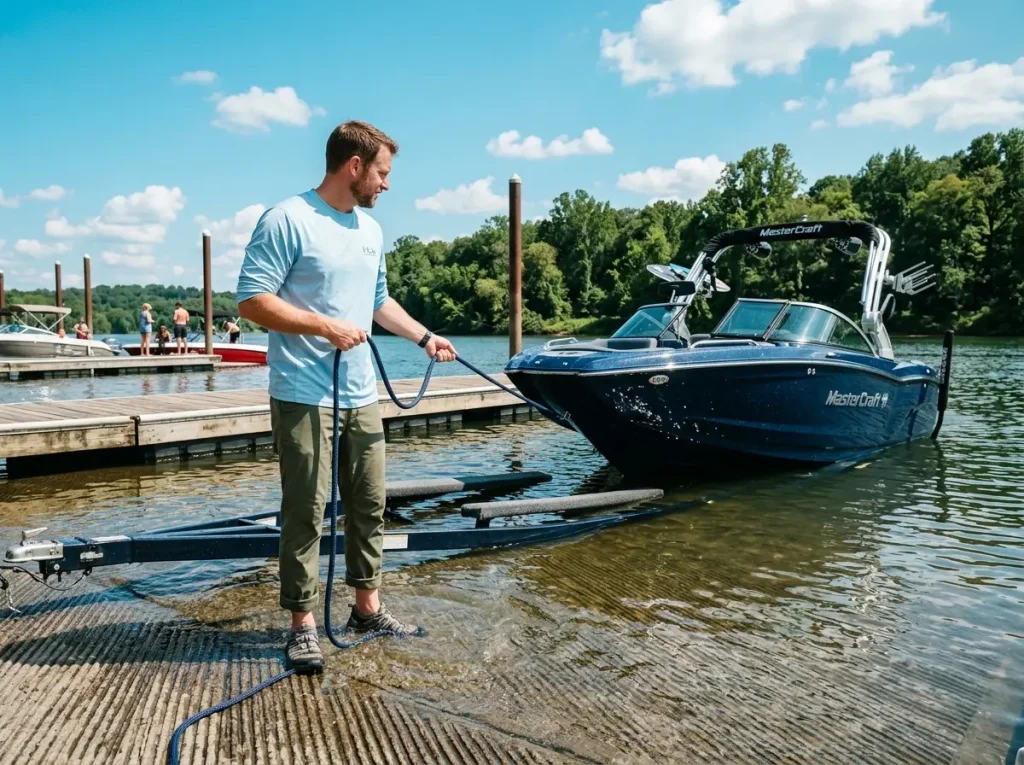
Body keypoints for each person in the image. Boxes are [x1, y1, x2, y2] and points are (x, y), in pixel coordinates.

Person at [237, 120, 457, 674]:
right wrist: (324, 327)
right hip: (304, 394)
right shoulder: (287, 218)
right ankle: (303, 624)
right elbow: (251, 301)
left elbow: (378, 302)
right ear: (354, 166)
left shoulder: (370, 231)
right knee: (307, 511)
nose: (386, 184)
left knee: (369, 506)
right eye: (382, 172)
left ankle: (366, 609)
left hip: (361, 396)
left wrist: (425, 336)